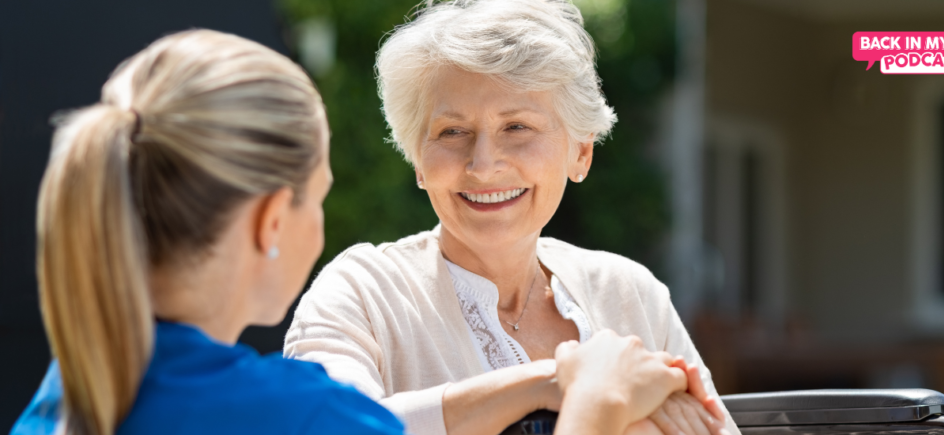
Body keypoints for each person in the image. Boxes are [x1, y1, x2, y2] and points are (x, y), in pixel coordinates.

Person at [11, 29, 695, 435]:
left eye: (517, 126)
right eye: (321, 199)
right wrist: (595, 405)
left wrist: (550, 383)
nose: (483, 160)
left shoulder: (69, 390)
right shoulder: (302, 417)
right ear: (272, 220)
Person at [283, 1, 740, 435]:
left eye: (517, 127)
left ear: (580, 153)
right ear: (419, 162)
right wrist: (566, 384)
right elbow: (326, 425)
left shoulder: (629, 293)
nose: (483, 165)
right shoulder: (361, 292)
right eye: (452, 131)